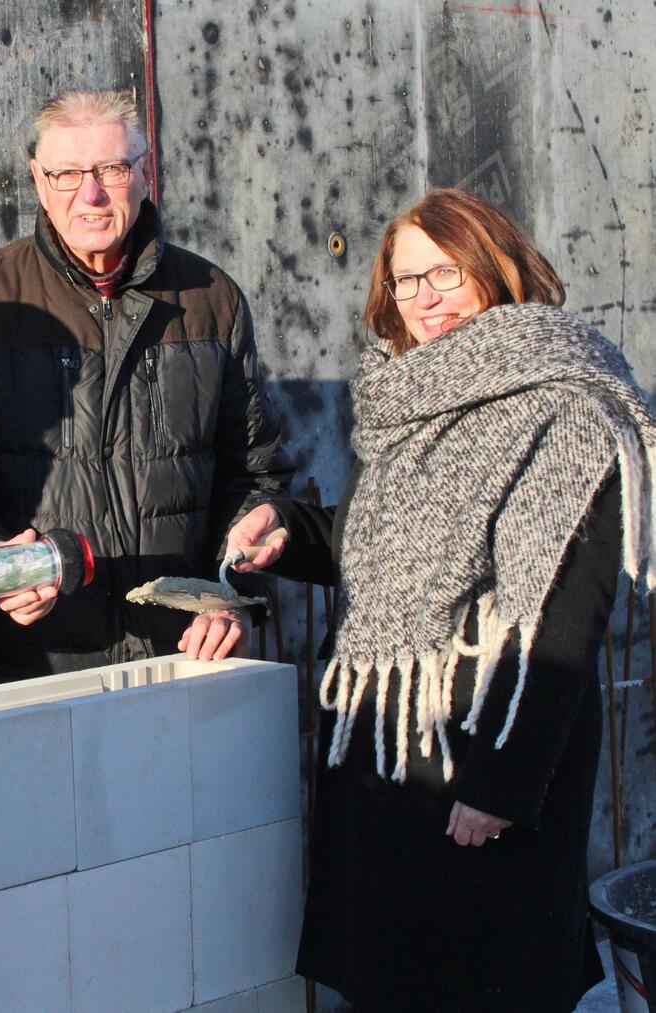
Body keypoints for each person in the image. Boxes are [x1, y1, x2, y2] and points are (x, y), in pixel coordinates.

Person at [216, 187, 656, 1012]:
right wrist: (294, 532)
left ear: (494, 269)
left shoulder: (567, 405)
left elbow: (563, 616)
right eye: (406, 280)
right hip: (388, 757)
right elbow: (395, 546)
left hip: (478, 760)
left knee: (487, 985)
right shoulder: (410, 401)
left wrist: (501, 784)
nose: (424, 299)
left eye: (444, 273)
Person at [0, 89, 292, 691]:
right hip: (19, 672)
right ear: (37, 180)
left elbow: (254, 475)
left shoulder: (212, 301)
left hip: (179, 665)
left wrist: (233, 593)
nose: (91, 193)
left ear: (144, 172)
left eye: (112, 169)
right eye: (68, 173)